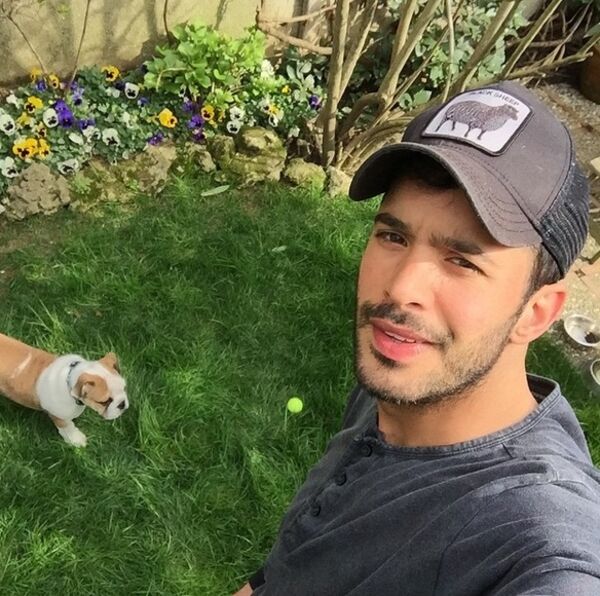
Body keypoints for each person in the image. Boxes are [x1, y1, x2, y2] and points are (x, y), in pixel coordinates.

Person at [234, 80, 600, 595]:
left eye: (462, 261)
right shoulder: (405, 378)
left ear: (536, 312)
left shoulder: (532, 531)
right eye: (394, 236)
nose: (401, 288)